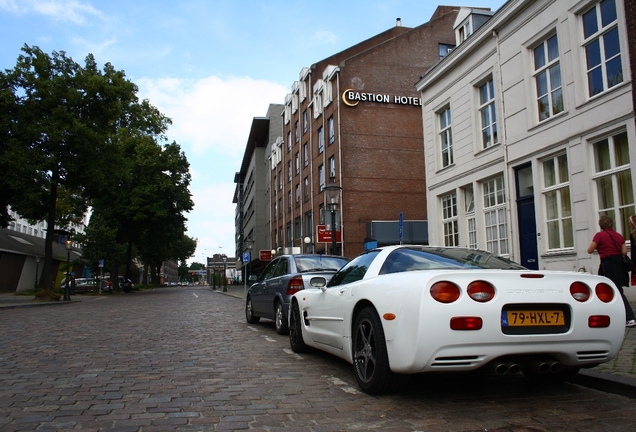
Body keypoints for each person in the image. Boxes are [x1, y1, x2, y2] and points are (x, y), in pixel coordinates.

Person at [587, 215, 636, 327]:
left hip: (608, 264)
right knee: (613, 290)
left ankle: (630, 318)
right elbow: (624, 251)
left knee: (613, 291)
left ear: (601, 225)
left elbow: (590, 250)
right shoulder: (618, 236)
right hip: (619, 265)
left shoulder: (600, 235)